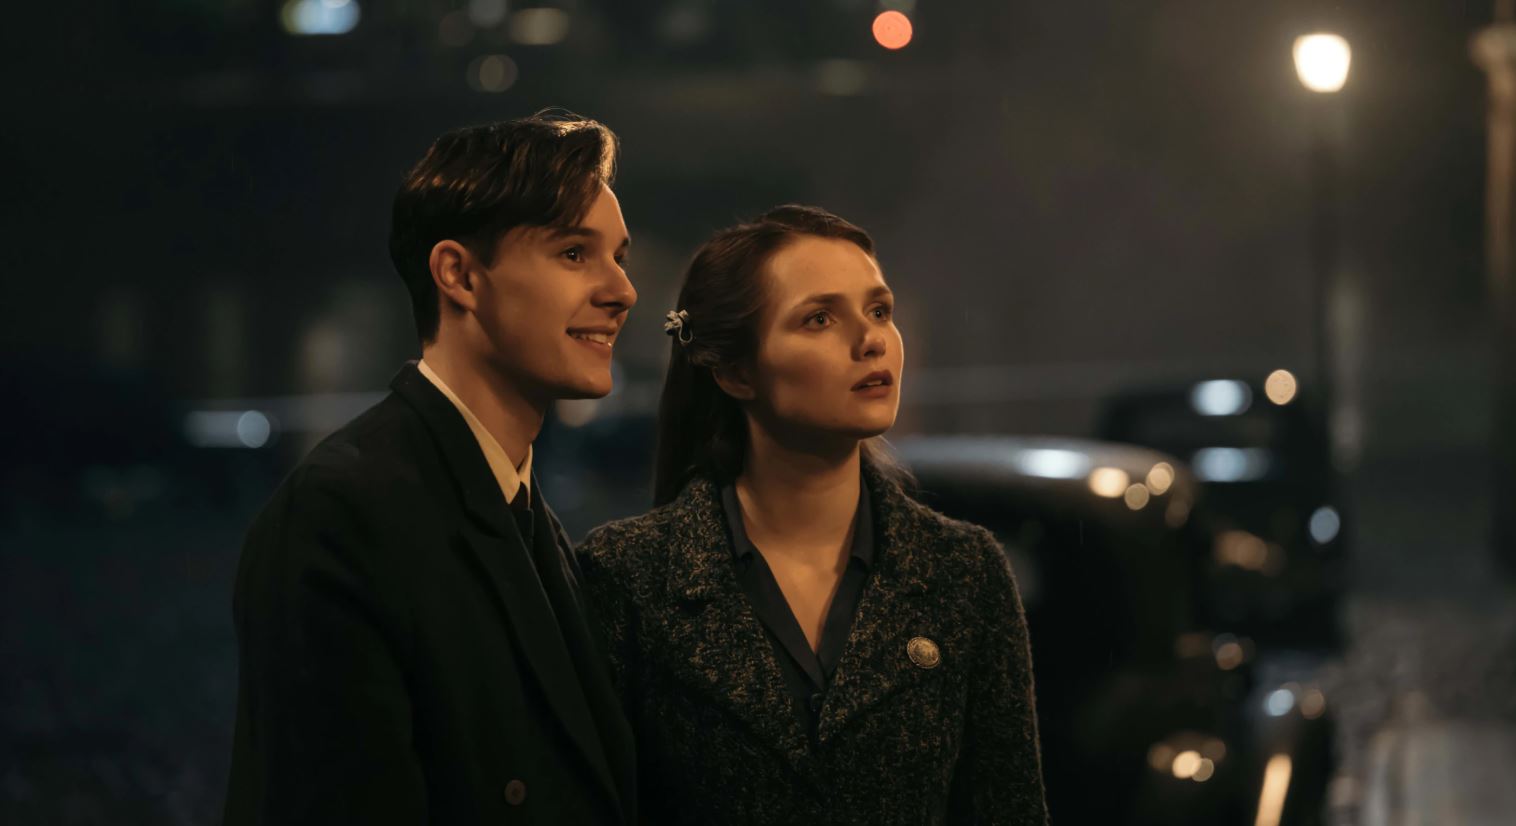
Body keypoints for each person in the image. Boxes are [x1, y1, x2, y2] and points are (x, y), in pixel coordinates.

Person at [224, 113, 638, 825]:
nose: (621, 290)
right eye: (575, 253)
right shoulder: (343, 517)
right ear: (459, 274)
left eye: (619, 257)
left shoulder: (522, 512)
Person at [576, 205, 1049, 824]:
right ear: (735, 371)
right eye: (820, 319)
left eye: (879, 311)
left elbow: (1009, 808)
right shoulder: (628, 574)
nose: (871, 340)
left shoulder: (963, 570)